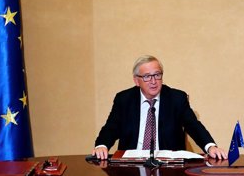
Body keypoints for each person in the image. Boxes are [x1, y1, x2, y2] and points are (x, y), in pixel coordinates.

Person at [92, 55, 227, 160]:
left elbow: (193, 125)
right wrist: (101, 146)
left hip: (168, 166)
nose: (153, 81)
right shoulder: (124, 99)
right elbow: (111, 128)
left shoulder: (176, 98)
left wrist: (210, 147)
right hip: (131, 165)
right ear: (136, 81)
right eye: (147, 76)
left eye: (157, 75)